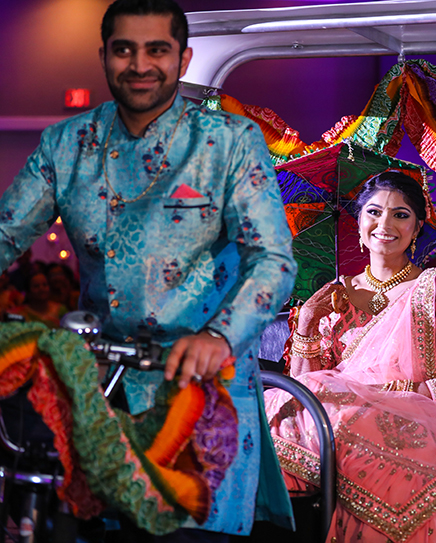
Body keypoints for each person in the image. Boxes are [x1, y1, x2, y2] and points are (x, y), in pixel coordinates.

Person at [0, 0, 296, 539]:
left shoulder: (230, 142)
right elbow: (4, 234)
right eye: (124, 50)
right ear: (104, 57)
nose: (140, 64)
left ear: (182, 60)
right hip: (97, 386)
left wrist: (219, 338)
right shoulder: (66, 145)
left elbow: (273, 260)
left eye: (156, 50)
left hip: (205, 389)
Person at [264, 172, 436, 543]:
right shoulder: (334, 295)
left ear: (417, 227)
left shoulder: (433, 287)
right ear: (359, 222)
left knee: (343, 422)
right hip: (336, 423)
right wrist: (309, 321)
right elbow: (304, 390)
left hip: (416, 426)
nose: (385, 224)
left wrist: (379, 394)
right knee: (270, 409)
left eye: (401, 215)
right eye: (374, 212)